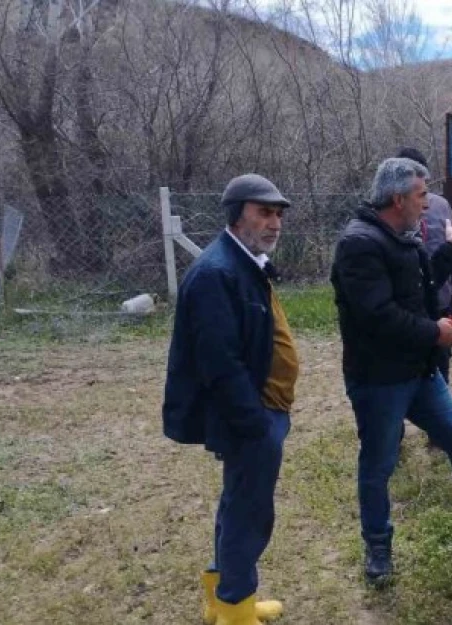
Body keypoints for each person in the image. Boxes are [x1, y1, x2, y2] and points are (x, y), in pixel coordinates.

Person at [331, 157, 452, 583]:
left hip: (420, 373)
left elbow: (420, 290)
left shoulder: (403, 235)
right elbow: (377, 316)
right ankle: (378, 549)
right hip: (379, 378)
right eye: (422, 195)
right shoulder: (359, 243)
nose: (428, 202)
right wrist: (434, 332)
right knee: (378, 465)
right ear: (398, 197)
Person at [162, 174, 297, 624]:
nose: (274, 223)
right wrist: (256, 425)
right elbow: (219, 365)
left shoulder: (246, 262)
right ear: (236, 216)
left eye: (278, 214)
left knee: (238, 503)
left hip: (263, 412)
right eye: (264, 212)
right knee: (249, 513)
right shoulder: (217, 273)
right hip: (249, 419)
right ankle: (236, 612)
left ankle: (223, 599)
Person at [396, 146, 452, 383]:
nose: (424, 204)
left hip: (438, 299)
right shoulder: (391, 214)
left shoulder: (441, 206)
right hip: (412, 305)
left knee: (439, 365)